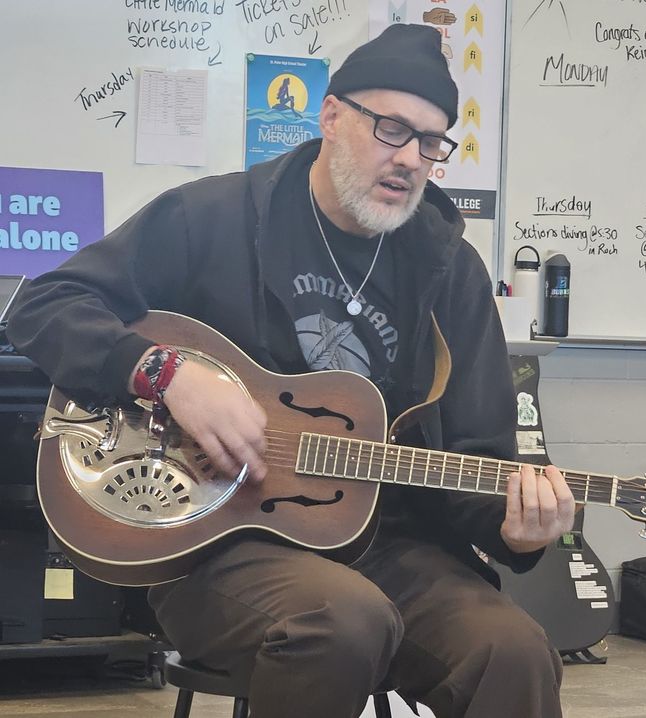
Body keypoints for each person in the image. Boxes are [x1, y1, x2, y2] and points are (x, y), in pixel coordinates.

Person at [8, 24, 575, 718]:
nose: (411, 160)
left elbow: (477, 460)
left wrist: (516, 531)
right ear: (331, 116)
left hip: (391, 543)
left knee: (511, 650)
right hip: (219, 544)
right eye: (393, 129)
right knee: (338, 620)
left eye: (431, 143)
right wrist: (168, 375)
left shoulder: (448, 269)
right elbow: (44, 304)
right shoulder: (213, 216)